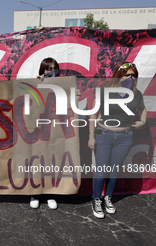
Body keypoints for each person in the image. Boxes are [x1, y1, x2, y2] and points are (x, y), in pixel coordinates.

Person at [88, 62, 147, 219]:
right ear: (118, 75)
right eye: (127, 74)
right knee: (101, 170)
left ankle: (107, 197)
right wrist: (91, 136)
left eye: (133, 75)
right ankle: (96, 200)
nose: (130, 78)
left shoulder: (136, 94)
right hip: (104, 135)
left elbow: (142, 109)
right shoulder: (105, 91)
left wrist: (142, 122)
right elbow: (93, 114)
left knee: (114, 170)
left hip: (125, 137)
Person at [30, 57, 81, 210]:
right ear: (42, 71)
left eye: (54, 69)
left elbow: (70, 107)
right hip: (40, 130)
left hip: (57, 130)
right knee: (38, 161)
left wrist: (75, 95)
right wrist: (38, 82)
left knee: (53, 161)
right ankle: (35, 194)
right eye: (48, 69)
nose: (52, 72)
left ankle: (51, 193)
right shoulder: (35, 83)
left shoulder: (64, 86)